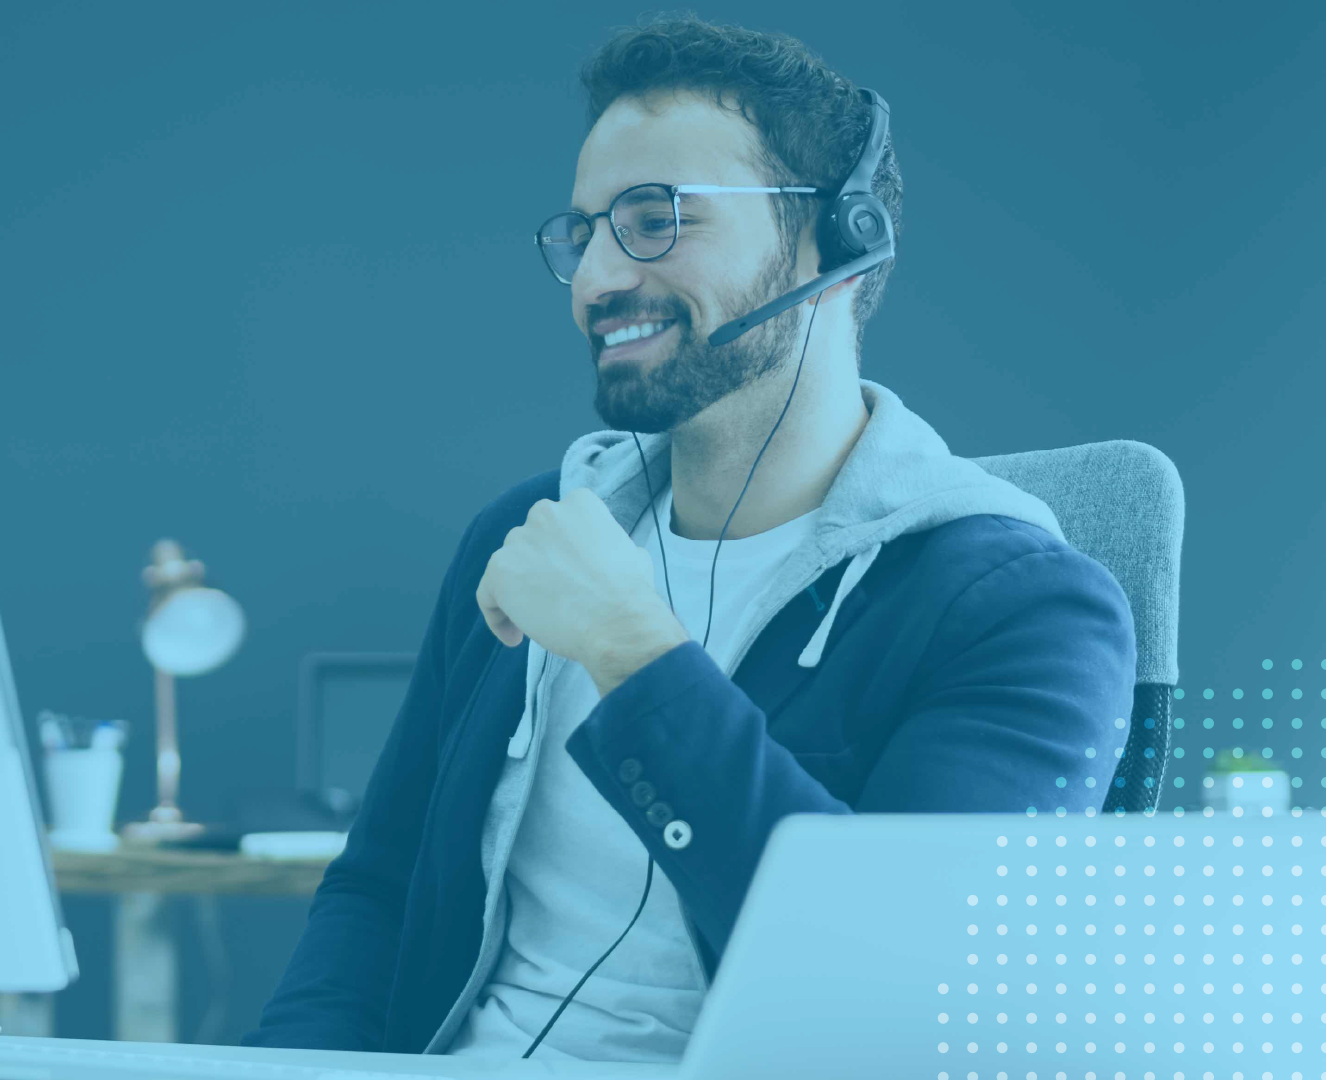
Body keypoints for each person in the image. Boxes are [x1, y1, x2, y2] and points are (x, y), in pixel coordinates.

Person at [245, 11, 1135, 1064]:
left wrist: (637, 654)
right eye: (584, 234)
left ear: (839, 240)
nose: (593, 282)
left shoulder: (1021, 609)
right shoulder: (538, 537)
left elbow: (910, 1006)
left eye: (657, 218)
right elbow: (377, 889)